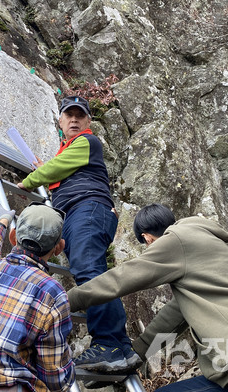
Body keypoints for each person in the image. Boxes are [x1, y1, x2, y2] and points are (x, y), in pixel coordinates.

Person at [67, 204, 228, 391]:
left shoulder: (176, 240)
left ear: (147, 238)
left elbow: (120, 279)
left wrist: (62, 300)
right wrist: (137, 352)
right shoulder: (207, 246)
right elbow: (174, 315)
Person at [17, 95, 137, 372]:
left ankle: (106, 344)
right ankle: (121, 348)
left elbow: (54, 169)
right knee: (93, 271)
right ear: (59, 121)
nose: (74, 119)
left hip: (87, 208)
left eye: (79, 115)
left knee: (88, 271)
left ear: (87, 122)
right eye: (68, 115)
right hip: (81, 212)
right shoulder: (68, 150)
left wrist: (29, 181)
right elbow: (59, 168)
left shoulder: (87, 141)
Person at [0, 203, 75, 392]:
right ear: (59, 248)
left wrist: (2, 221)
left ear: (13, 236)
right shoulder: (52, 293)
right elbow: (54, 377)